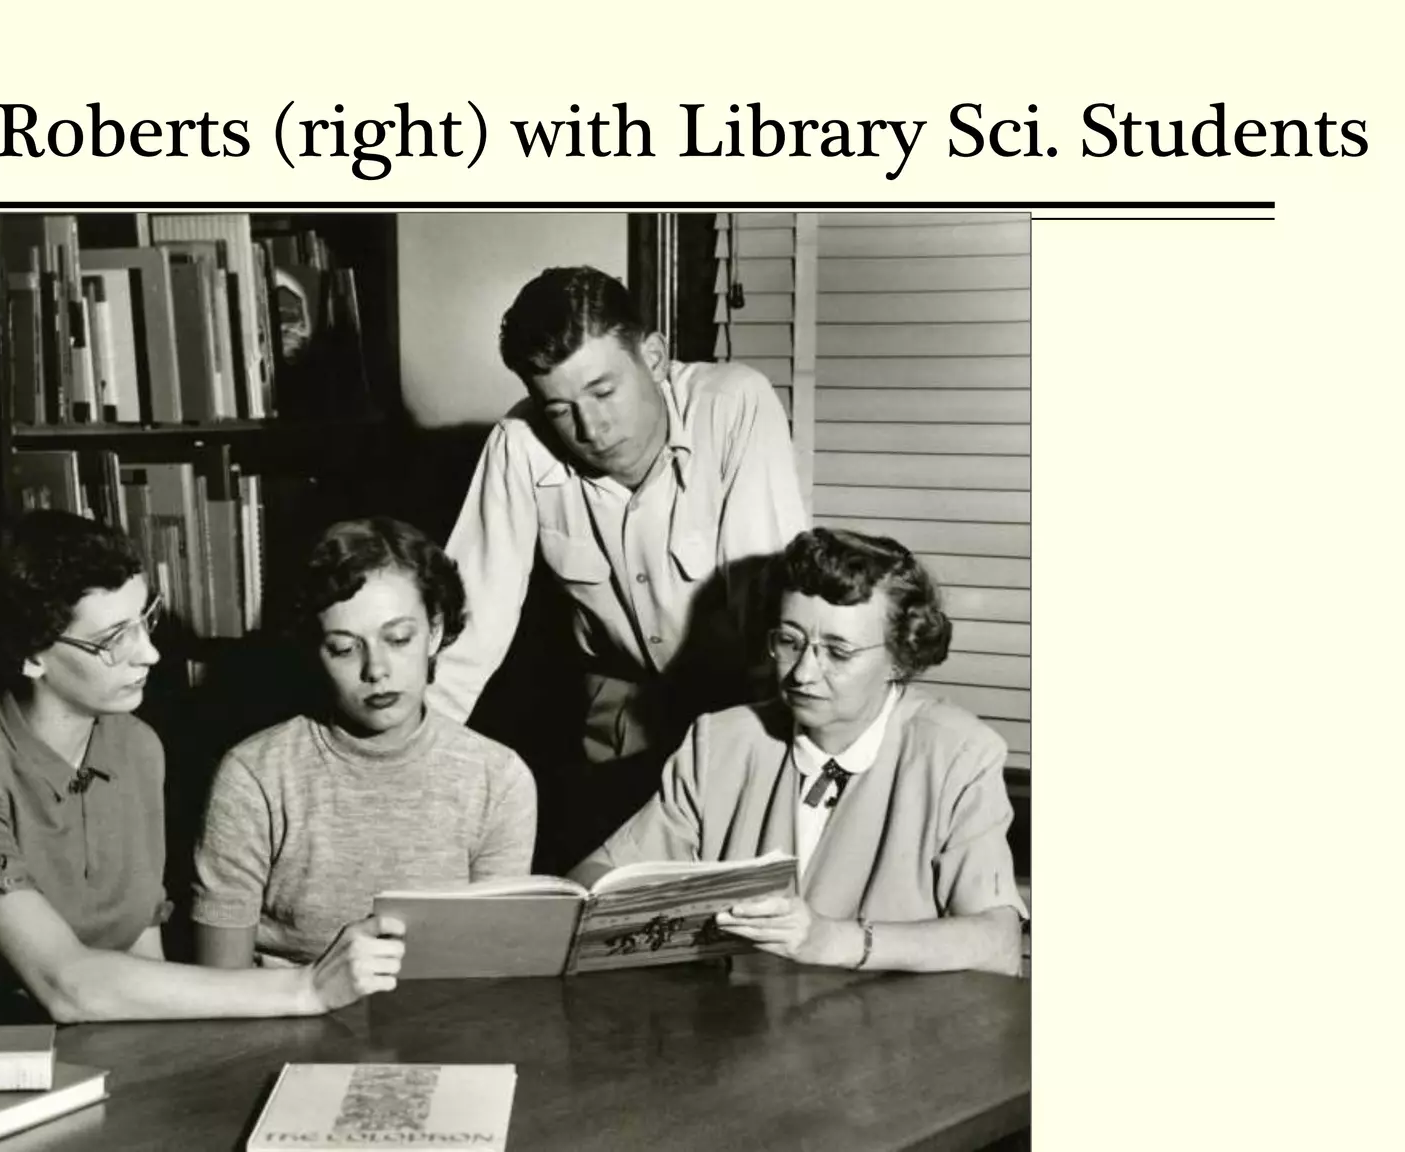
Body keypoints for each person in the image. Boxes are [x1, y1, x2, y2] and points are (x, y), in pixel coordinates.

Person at [0, 510, 404, 1022]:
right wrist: (305, 989)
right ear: (31, 657)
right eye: (114, 638)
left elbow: (145, 957)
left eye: (146, 620)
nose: (150, 654)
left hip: (102, 1048)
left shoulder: (135, 746)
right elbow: (64, 984)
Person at [571, 527, 1026, 976]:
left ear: (899, 659)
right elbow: (598, 875)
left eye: (838, 652)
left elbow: (997, 941)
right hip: (736, 1031)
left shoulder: (959, 755)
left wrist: (832, 940)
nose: (803, 673)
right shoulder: (722, 740)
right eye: (790, 641)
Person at [431, 265, 810, 769]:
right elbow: (469, 626)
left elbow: (769, 609)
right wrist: (408, 761)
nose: (590, 428)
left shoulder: (734, 405)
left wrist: (781, 758)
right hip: (615, 724)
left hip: (738, 713)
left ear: (653, 357)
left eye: (603, 392)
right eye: (560, 410)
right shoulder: (518, 443)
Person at [192, 517, 538, 968]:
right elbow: (220, 986)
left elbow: (491, 969)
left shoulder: (499, 778)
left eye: (397, 638)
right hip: (280, 1019)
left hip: (442, 1023)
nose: (376, 670)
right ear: (315, 651)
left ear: (434, 632)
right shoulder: (254, 774)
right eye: (343, 647)